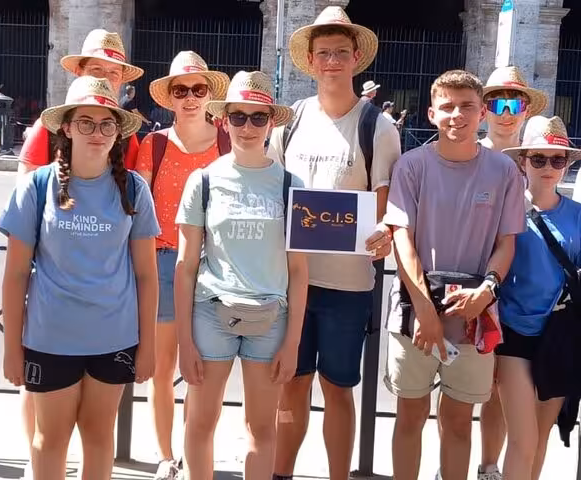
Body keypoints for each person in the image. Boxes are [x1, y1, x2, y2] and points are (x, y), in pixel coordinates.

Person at [0, 76, 159, 480]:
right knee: (50, 439)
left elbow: (146, 275)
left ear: (118, 132)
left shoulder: (135, 189)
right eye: (85, 122)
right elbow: (16, 274)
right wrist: (11, 348)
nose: (97, 132)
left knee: (99, 435)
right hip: (51, 338)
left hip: (115, 338)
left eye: (106, 124)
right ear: (66, 128)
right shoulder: (36, 186)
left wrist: (148, 347)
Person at [265, 7, 399, 480]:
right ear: (311, 60)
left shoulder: (378, 127)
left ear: (357, 58)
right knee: (290, 384)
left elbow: (385, 206)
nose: (333, 61)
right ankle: (281, 473)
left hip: (348, 285)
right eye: (324, 53)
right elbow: (272, 191)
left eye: (342, 52)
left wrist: (385, 233)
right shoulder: (291, 120)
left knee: (339, 387)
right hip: (292, 281)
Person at [383, 70, 525, 480]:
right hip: (414, 310)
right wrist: (426, 310)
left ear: (482, 112)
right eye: (447, 106)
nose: (456, 115)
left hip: (474, 313)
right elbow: (402, 240)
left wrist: (487, 290)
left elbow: (506, 242)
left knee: (460, 419)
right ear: (431, 113)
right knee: (410, 414)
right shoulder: (412, 166)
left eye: (466, 106)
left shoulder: (503, 172)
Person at [176, 70, 307, 480]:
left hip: (271, 319)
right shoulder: (204, 181)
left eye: (257, 117)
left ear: (271, 121)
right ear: (223, 120)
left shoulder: (291, 185)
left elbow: (300, 270)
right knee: (200, 422)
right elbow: (185, 266)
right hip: (210, 314)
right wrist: (184, 341)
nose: (247, 127)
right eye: (238, 117)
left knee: (262, 427)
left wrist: (293, 341)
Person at [136, 50, 229, 480]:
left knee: (203, 369)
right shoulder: (153, 145)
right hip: (162, 261)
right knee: (162, 368)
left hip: (216, 264)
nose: (190, 98)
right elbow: (138, 212)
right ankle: (165, 453)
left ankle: (195, 451)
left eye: (197, 89)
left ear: (209, 94)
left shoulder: (229, 141)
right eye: (181, 90)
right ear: (169, 97)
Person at [494, 115, 581, 480]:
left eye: (557, 159)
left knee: (540, 436)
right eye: (539, 158)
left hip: (559, 335)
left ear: (567, 165)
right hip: (514, 333)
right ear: (523, 160)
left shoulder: (578, 215)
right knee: (524, 439)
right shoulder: (504, 209)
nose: (548, 167)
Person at [476, 65, 547, 480]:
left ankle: (495, 469)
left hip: (523, 296)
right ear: (484, 109)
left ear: (525, 109)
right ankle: (474, 462)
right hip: (478, 285)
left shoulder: (535, 160)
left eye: (514, 102)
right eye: (496, 102)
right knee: (477, 388)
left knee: (509, 392)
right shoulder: (471, 154)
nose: (506, 111)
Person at [17, 29, 145, 176]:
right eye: (96, 69)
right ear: (79, 71)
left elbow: (131, 191)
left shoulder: (127, 137)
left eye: (114, 73)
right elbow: (25, 189)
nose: (104, 79)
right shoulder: (47, 129)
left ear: (122, 80)